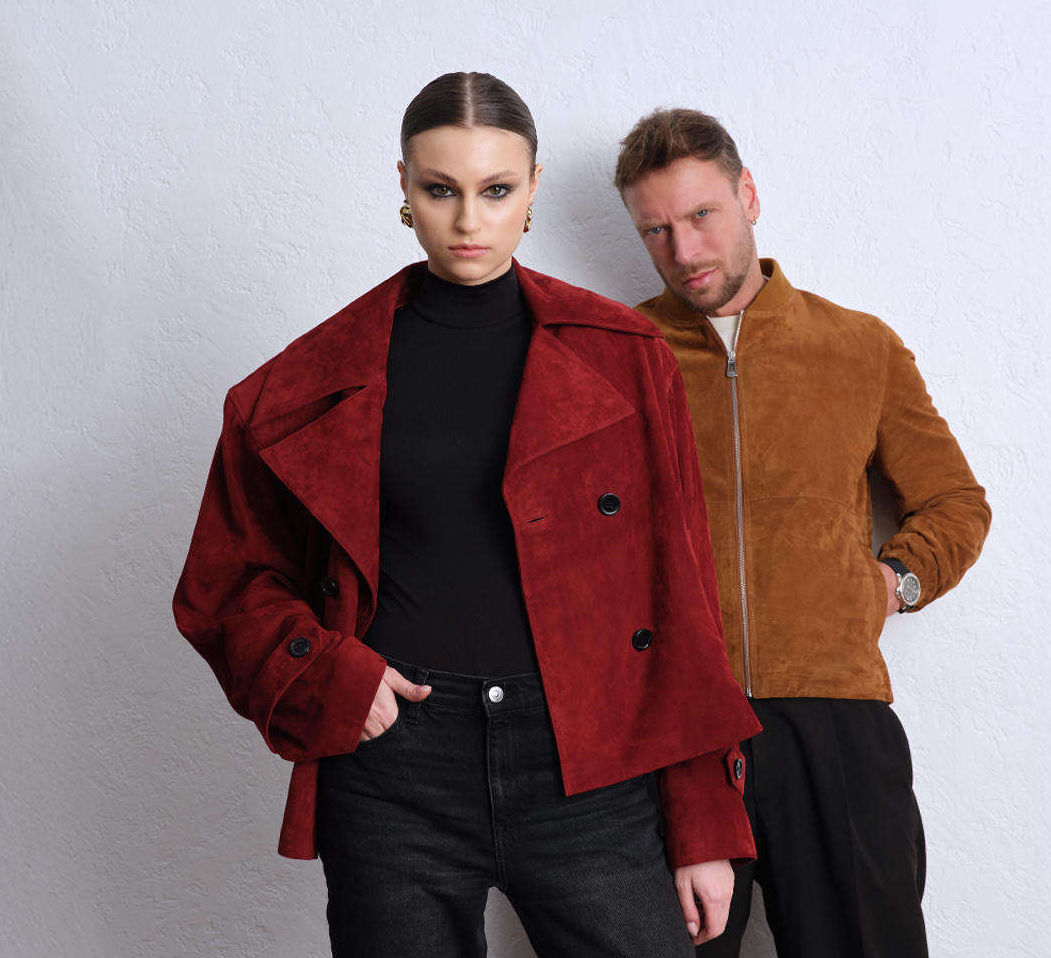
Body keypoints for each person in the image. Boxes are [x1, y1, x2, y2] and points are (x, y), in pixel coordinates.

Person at [173, 75, 760, 957]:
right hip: (396, 767)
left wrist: (701, 820)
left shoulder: (624, 356)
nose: (469, 220)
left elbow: (680, 595)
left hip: (590, 757)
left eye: (497, 190)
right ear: (404, 188)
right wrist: (330, 677)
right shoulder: (304, 382)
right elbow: (222, 585)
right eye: (440, 189)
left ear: (532, 190)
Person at [613, 108, 994, 958]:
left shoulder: (858, 347)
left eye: (702, 215)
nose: (684, 249)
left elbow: (955, 503)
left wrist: (888, 583)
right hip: (674, 724)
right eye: (656, 230)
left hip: (835, 723)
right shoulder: (617, 356)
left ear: (748, 195)